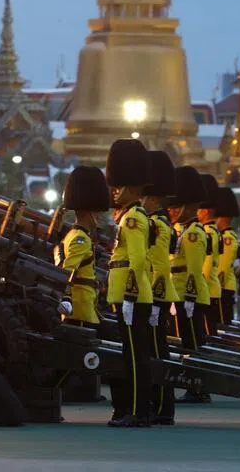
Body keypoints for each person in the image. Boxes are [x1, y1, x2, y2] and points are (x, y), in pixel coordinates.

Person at [104, 138, 155, 428]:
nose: (114, 191)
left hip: (131, 297)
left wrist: (130, 296)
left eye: (119, 186)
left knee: (136, 357)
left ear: (131, 187)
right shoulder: (128, 217)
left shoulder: (134, 218)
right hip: (126, 296)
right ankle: (133, 409)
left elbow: (137, 261)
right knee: (129, 355)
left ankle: (139, 411)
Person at [55, 165, 109, 404]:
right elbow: (67, 272)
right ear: (92, 212)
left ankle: (82, 390)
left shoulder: (79, 235)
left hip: (85, 302)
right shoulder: (79, 238)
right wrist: (66, 298)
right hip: (79, 304)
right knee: (79, 352)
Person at [143, 150, 178, 426]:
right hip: (158, 291)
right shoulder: (161, 222)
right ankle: (162, 405)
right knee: (157, 349)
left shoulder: (156, 224)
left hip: (156, 292)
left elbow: (155, 265)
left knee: (157, 351)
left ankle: (164, 407)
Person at [170, 167, 211, 404]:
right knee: (187, 343)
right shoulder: (185, 231)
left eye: (177, 206)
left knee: (193, 344)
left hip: (189, 295)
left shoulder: (194, 233)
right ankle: (194, 386)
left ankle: (198, 389)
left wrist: (190, 298)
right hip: (182, 294)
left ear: (188, 206)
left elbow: (195, 270)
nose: (173, 210)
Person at [199, 174, 223, 337]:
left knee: (208, 335)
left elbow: (206, 268)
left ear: (205, 211)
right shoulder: (213, 231)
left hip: (207, 290)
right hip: (211, 289)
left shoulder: (208, 232)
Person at [215, 187, 240, 327]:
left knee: (221, 327)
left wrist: (215, 290)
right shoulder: (223, 236)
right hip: (222, 288)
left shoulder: (227, 238)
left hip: (222, 289)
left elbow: (222, 269)